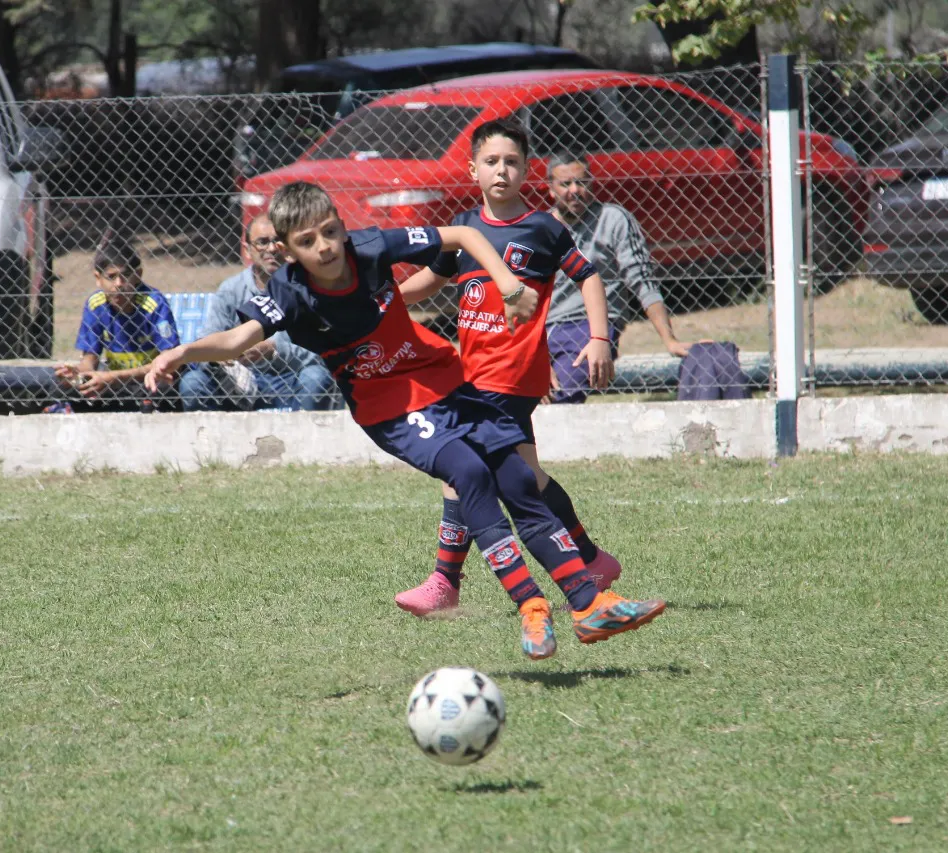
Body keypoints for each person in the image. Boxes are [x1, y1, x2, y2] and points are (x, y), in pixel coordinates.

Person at [145, 181, 665, 661]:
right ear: (286, 249)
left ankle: (586, 603)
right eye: (308, 240)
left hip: (441, 377)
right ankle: (532, 609)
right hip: (387, 406)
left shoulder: (371, 248)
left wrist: (506, 282)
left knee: (516, 475)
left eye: (331, 230)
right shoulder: (289, 293)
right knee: (469, 471)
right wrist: (181, 352)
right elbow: (237, 341)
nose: (325, 246)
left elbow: (461, 234)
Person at [395, 120, 625, 618]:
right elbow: (429, 281)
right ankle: (591, 559)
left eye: (513, 162)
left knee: (459, 473)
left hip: (510, 375)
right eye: (492, 161)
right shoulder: (464, 228)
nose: (502, 170)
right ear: (473, 169)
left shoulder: (542, 229)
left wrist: (599, 337)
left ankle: (445, 582)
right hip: (473, 375)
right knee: (527, 476)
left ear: (527, 171)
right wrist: (381, 302)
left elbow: (589, 278)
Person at [544, 150, 690, 403]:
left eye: (582, 182)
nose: (574, 191)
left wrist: (670, 340)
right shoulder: (540, 227)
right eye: (565, 184)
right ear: (550, 189)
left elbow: (642, 280)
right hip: (543, 331)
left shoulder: (613, 219)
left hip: (590, 326)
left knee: (562, 392)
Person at [179, 214, 338, 411]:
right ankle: (207, 441)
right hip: (236, 383)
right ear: (247, 250)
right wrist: (223, 356)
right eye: (262, 242)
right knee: (193, 383)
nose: (271, 249)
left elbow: (323, 353)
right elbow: (206, 338)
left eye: (277, 240)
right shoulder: (231, 289)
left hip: (290, 379)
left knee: (316, 377)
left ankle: (304, 441)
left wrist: (273, 349)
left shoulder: (307, 288)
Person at [54, 239, 180, 410]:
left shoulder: (154, 304)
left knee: (161, 390)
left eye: (126, 276)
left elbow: (169, 364)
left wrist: (113, 377)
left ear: (138, 275)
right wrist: (77, 374)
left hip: (147, 380)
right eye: (111, 277)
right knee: (64, 389)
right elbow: (89, 360)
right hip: (114, 383)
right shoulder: (95, 305)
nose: (119, 284)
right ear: (98, 278)